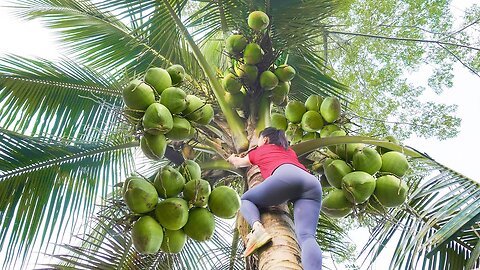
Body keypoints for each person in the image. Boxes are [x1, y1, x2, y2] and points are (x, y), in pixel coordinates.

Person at [227, 127, 323, 270]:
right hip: (311, 183)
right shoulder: (289, 151)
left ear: (265, 139)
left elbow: (239, 163)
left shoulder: (259, 151)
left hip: (286, 176)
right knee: (307, 236)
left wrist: (232, 158)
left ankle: (257, 229)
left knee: (245, 200)